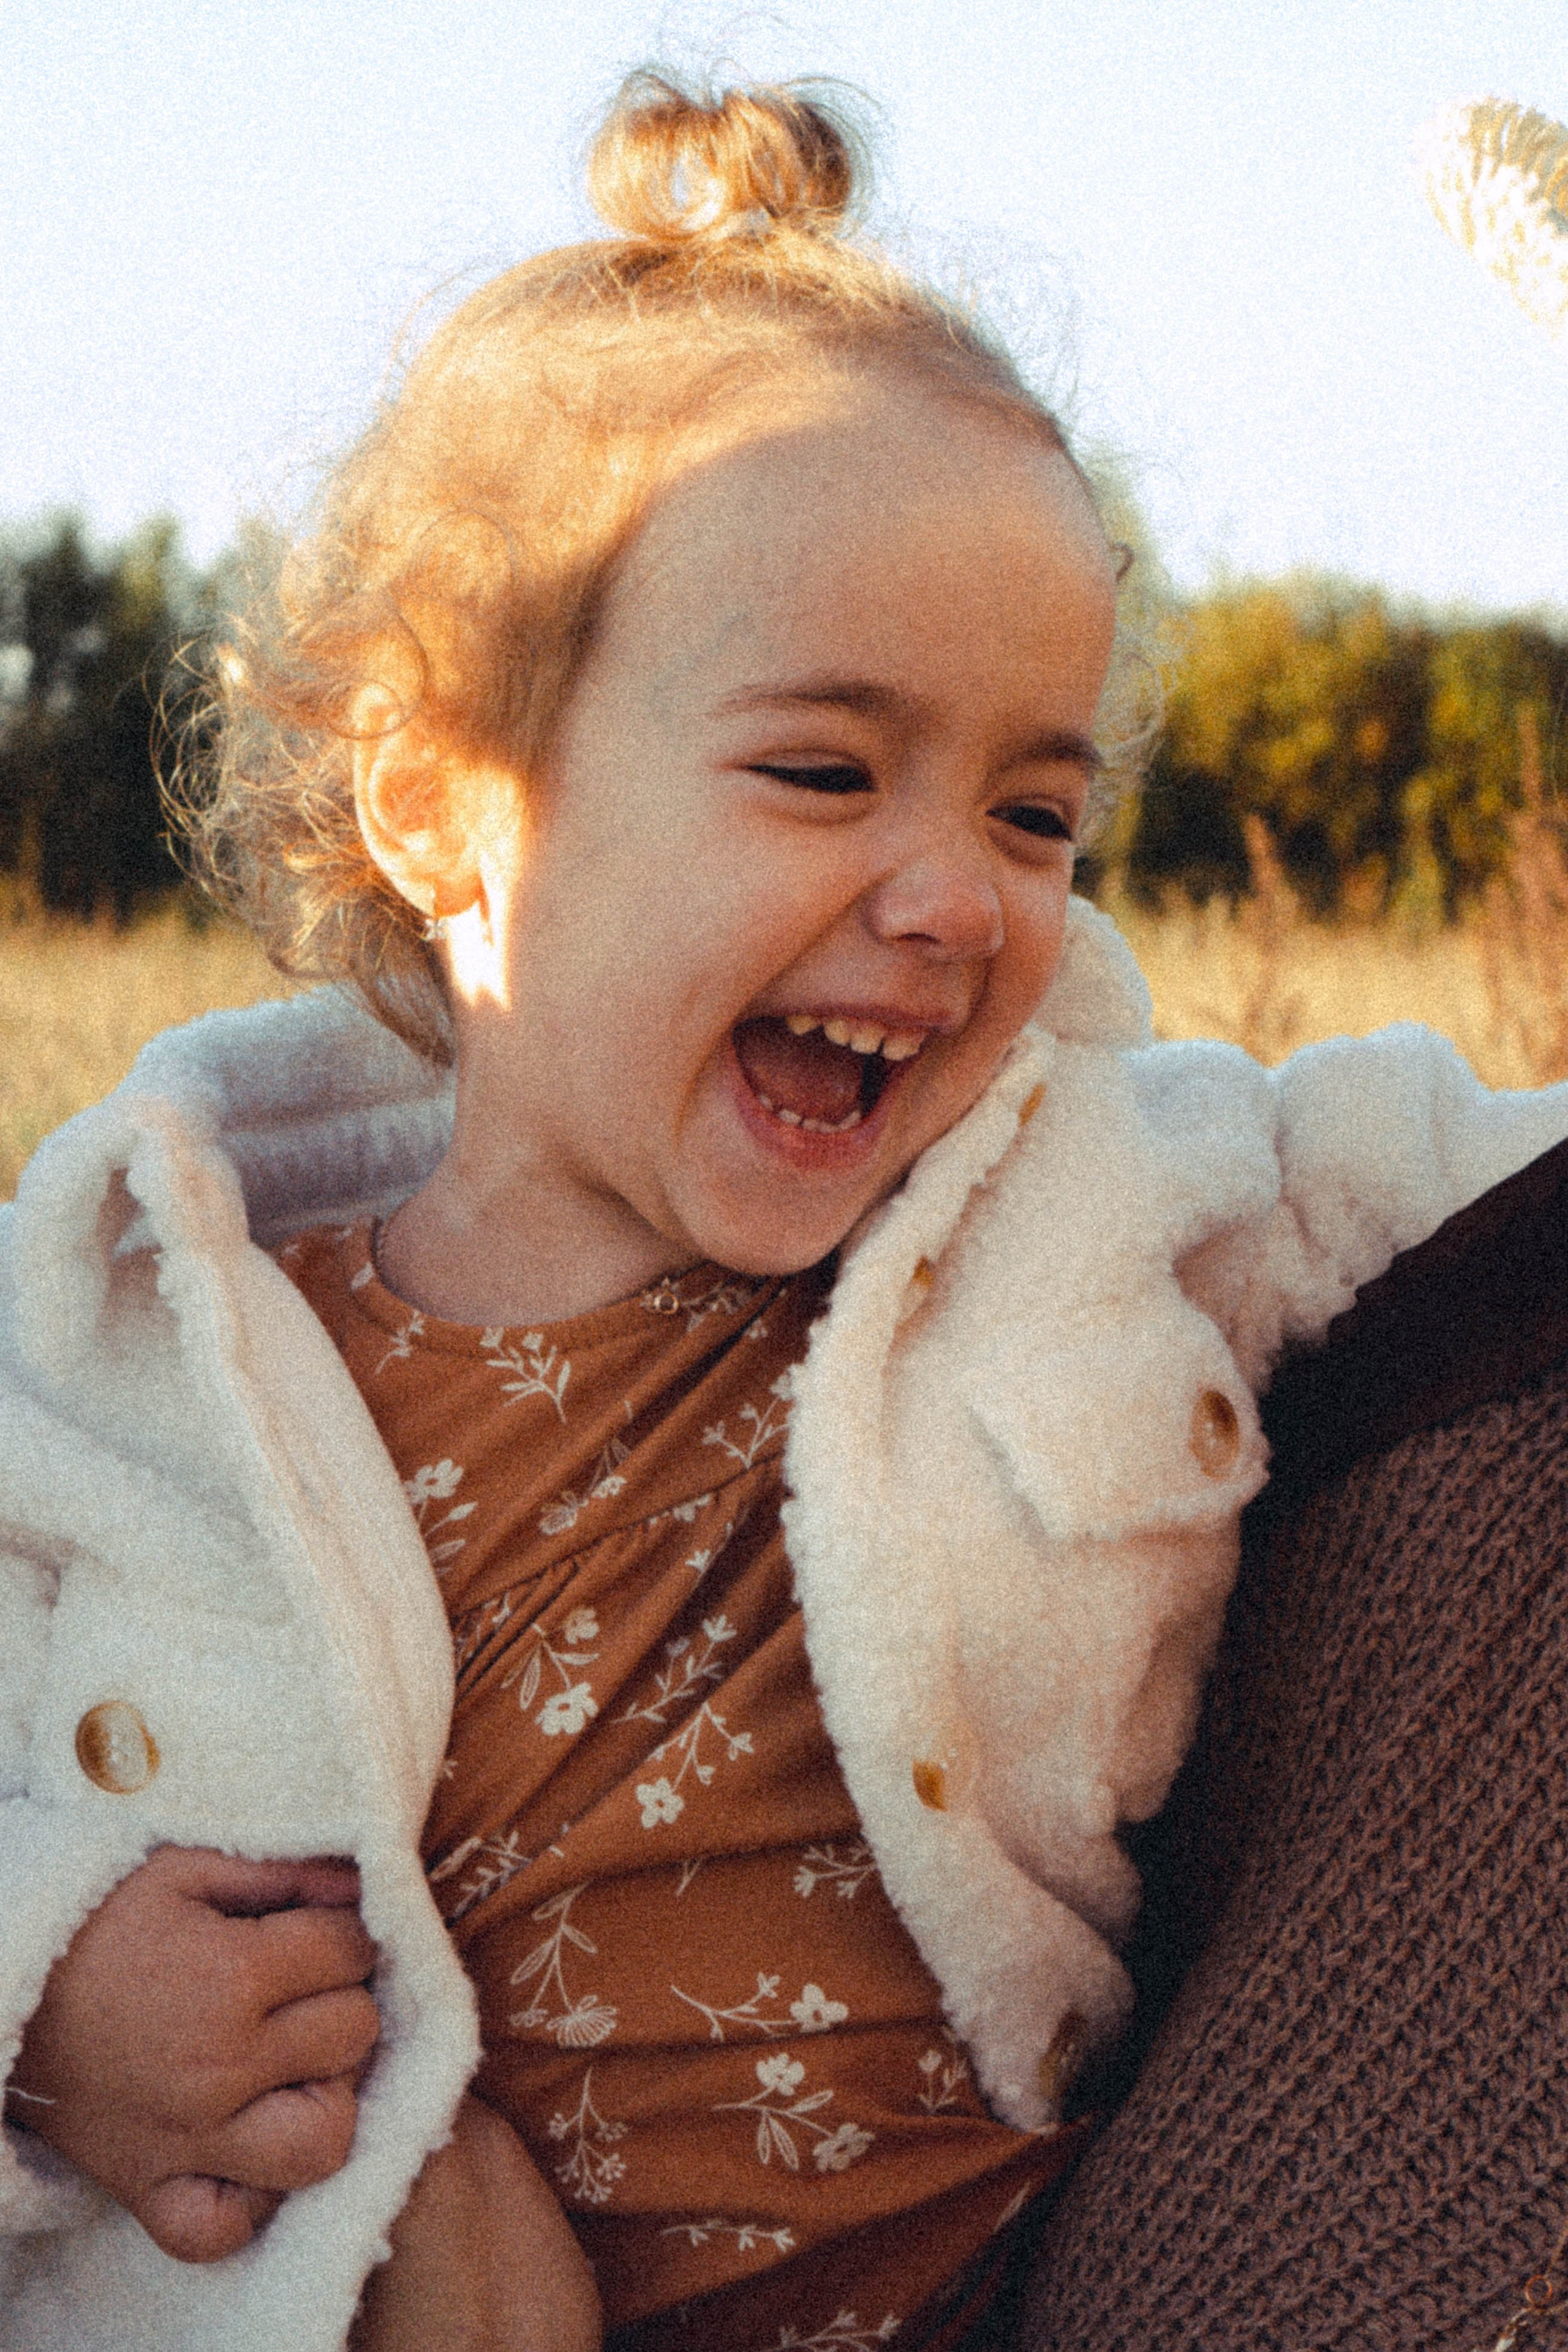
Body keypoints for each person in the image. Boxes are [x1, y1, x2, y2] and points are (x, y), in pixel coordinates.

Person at [2, 70, 1566, 2352]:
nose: (952, 898)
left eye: (1038, 814)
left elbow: (1512, 1208)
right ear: (446, 804)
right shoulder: (131, 1354)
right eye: (824, 772)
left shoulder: (1101, 1199)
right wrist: (45, 2001)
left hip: (1023, 2291)